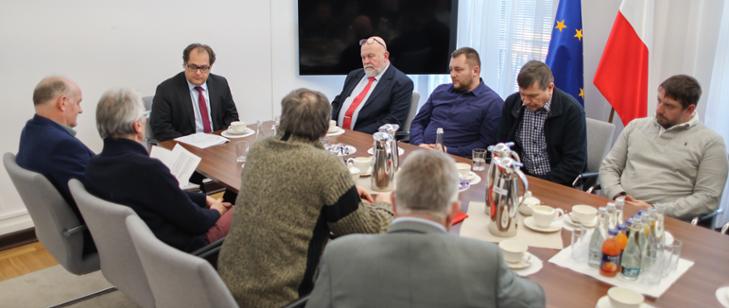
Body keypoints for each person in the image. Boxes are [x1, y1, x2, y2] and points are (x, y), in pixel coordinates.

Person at [218, 88, 393, 307]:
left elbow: (287, 186)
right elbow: (366, 230)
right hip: (281, 298)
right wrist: (385, 206)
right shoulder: (326, 166)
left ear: (284, 119)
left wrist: (342, 191)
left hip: (225, 288)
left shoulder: (258, 150)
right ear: (324, 127)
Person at [306, 150, 545, 307]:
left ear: (395, 203)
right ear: (453, 211)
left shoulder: (339, 254)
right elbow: (536, 300)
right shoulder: (485, 260)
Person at [84, 88, 233, 252]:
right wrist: (216, 211)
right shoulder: (148, 169)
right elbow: (197, 223)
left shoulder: (93, 167)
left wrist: (203, 199)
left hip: (143, 248)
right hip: (186, 250)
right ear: (138, 126)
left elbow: (166, 196)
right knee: (246, 211)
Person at [599, 75, 728, 221]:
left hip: (666, 220)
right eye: (659, 101)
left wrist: (654, 210)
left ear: (689, 109)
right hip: (621, 208)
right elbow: (609, 166)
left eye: (669, 105)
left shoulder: (711, 143)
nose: (659, 110)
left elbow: (707, 198)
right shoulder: (636, 126)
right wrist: (618, 195)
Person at [16, 76, 96, 254]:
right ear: (63, 102)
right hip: (95, 234)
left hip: (61, 230)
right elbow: (97, 194)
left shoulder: (32, 130)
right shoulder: (60, 145)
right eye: (78, 102)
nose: (81, 110)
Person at [497, 60, 586, 186]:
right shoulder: (513, 103)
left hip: (557, 183)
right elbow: (503, 144)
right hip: (519, 178)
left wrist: (539, 184)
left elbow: (574, 163)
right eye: (522, 94)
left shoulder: (572, 111)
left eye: (532, 96)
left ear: (550, 88)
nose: (525, 101)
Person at [410, 47, 504, 157]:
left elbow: (485, 144)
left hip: (457, 160)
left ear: (475, 71)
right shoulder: (440, 91)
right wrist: (419, 143)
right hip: (422, 152)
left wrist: (447, 150)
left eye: (458, 70)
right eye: (451, 69)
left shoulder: (492, 102)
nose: (452, 74)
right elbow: (418, 122)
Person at [150, 43, 239, 141]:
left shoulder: (220, 84)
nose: (198, 73)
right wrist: (191, 143)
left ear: (210, 66)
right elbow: (161, 128)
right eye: (193, 67)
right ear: (185, 65)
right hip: (186, 147)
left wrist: (220, 138)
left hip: (218, 143)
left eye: (204, 68)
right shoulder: (166, 90)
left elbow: (232, 117)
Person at [331, 36, 414, 134]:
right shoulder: (354, 75)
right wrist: (328, 123)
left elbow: (393, 121)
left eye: (370, 56)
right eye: (363, 57)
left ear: (385, 56)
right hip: (336, 134)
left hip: (367, 140)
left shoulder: (401, 83)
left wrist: (353, 135)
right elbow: (338, 102)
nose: (366, 62)